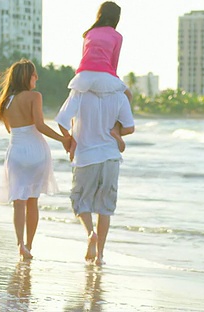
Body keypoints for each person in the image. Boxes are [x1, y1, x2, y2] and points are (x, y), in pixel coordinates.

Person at [55, 68, 135, 266]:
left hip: (86, 156)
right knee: (105, 207)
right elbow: (130, 127)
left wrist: (69, 141)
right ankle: (100, 255)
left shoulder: (79, 92)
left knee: (80, 201)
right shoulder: (119, 95)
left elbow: (62, 121)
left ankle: (91, 234)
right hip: (110, 157)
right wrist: (116, 133)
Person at [0, 59, 71, 260]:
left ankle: (20, 244)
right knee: (32, 201)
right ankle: (29, 245)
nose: (36, 78)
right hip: (36, 151)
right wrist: (63, 139)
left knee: (18, 202)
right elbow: (39, 125)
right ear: (26, 77)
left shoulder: (6, 101)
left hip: (16, 152)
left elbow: (11, 130)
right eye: (34, 74)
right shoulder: (34, 96)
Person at [68, 1, 132, 154]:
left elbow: (84, 57)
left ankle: (73, 135)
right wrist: (112, 85)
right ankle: (116, 129)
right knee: (127, 95)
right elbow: (113, 63)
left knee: (76, 101)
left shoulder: (88, 33)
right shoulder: (117, 36)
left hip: (82, 76)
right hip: (104, 73)